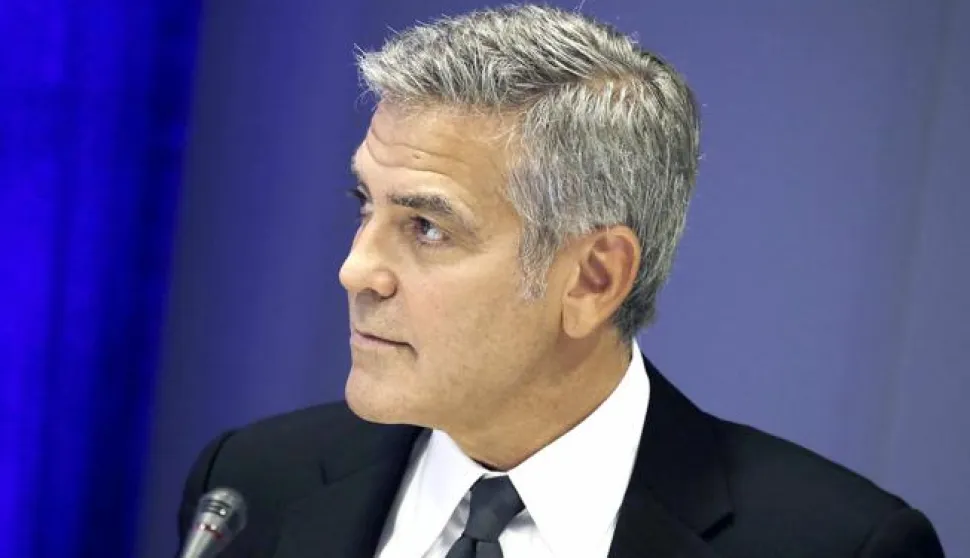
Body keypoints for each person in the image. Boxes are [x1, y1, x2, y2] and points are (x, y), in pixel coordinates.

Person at [176, 5, 945, 557]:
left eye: (427, 226)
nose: (356, 269)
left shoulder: (836, 544)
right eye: (364, 205)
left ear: (593, 279)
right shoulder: (250, 486)